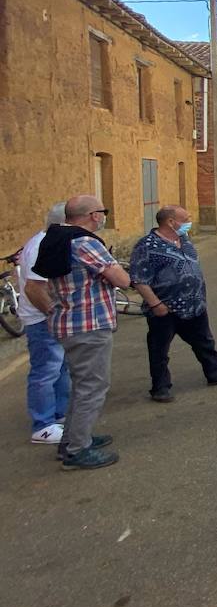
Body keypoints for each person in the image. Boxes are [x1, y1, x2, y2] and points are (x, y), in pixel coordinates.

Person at [27, 195, 131, 470]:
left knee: (81, 385)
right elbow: (122, 279)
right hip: (89, 324)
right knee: (93, 387)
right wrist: (116, 268)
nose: (104, 216)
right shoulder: (84, 242)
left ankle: (73, 438)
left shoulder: (56, 239)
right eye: (102, 211)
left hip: (68, 321)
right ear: (93, 215)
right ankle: (77, 450)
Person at [128, 205, 217, 403]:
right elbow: (139, 279)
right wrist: (155, 304)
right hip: (165, 307)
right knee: (159, 349)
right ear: (171, 222)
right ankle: (160, 387)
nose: (189, 222)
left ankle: (216, 373)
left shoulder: (184, 240)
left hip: (194, 304)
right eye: (185, 219)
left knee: (204, 342)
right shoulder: (147, 245)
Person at [15, 203, 71, 445]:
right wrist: (52, 313)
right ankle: (43, 425)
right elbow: (34, 288)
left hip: (48, 317)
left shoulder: (48, 241)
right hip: (41, 319)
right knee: (46, 370)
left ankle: (58, 414)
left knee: (60, 367)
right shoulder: (42, 245)